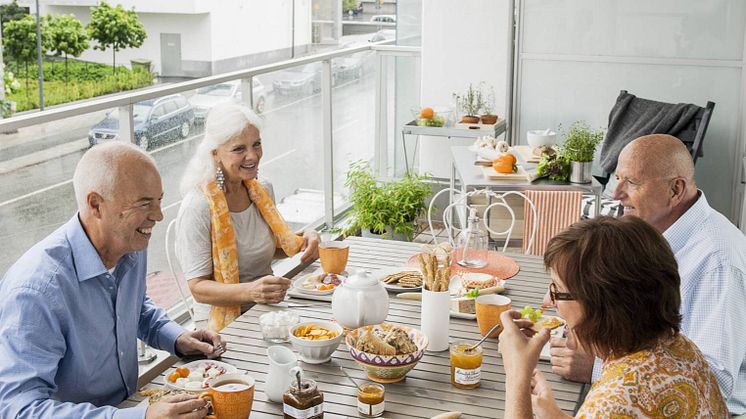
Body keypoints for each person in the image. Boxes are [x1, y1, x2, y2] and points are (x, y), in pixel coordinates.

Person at [0, 142, 226, 418]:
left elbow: (135, 308)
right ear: (96, 205)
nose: (158, 215)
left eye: (159, 200)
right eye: (144, 203)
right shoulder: (36, 291)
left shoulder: (129, 243)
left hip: (127, 404)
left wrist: (177, 338)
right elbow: (19, 409)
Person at [549, 134, 746, 416]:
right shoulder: (656, 234)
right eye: (617, 178)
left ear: (675, 189)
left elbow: (713, 382)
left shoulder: (718, 261)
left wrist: (597, 366)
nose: (615, 193)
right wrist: (574, 289)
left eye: (632, 182)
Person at [500, 216, 728, 418]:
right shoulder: (678, 347)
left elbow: (618, 408)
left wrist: (517, 376)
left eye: (557, 290)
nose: (550, 303)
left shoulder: (616, 400)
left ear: (600, 306)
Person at [176, 103, 320, 331]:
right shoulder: (198, 205)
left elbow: (268, 248)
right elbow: (198, 288)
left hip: (267, 309)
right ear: (215, 154)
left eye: (257, 144)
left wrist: (307, 239)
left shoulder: (261, 189)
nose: (252, 156)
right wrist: (250, 291)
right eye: (239, 149)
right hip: (220, 322)